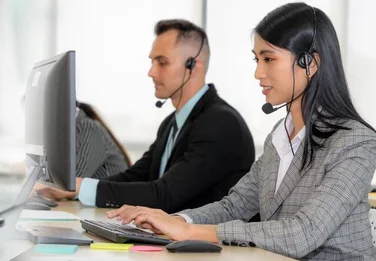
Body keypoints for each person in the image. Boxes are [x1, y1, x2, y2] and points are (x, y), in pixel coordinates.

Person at [106, 3, 376, 260]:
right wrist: (175, 221)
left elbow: (304, 232)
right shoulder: (280, 136)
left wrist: (190, 232)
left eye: (269, 59)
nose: (258, 73)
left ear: (309, 63)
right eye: (256, 59)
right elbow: (234, 206)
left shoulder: (354, 141)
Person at [36, 19, 255, 214]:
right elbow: (135, 176)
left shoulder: (220, 123)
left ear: (193, 67)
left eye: (162, 62)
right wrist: (75, 188)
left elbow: (165, 195)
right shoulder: (172, 123)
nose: (151, 72)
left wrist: (83, 187)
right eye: (152, 62)